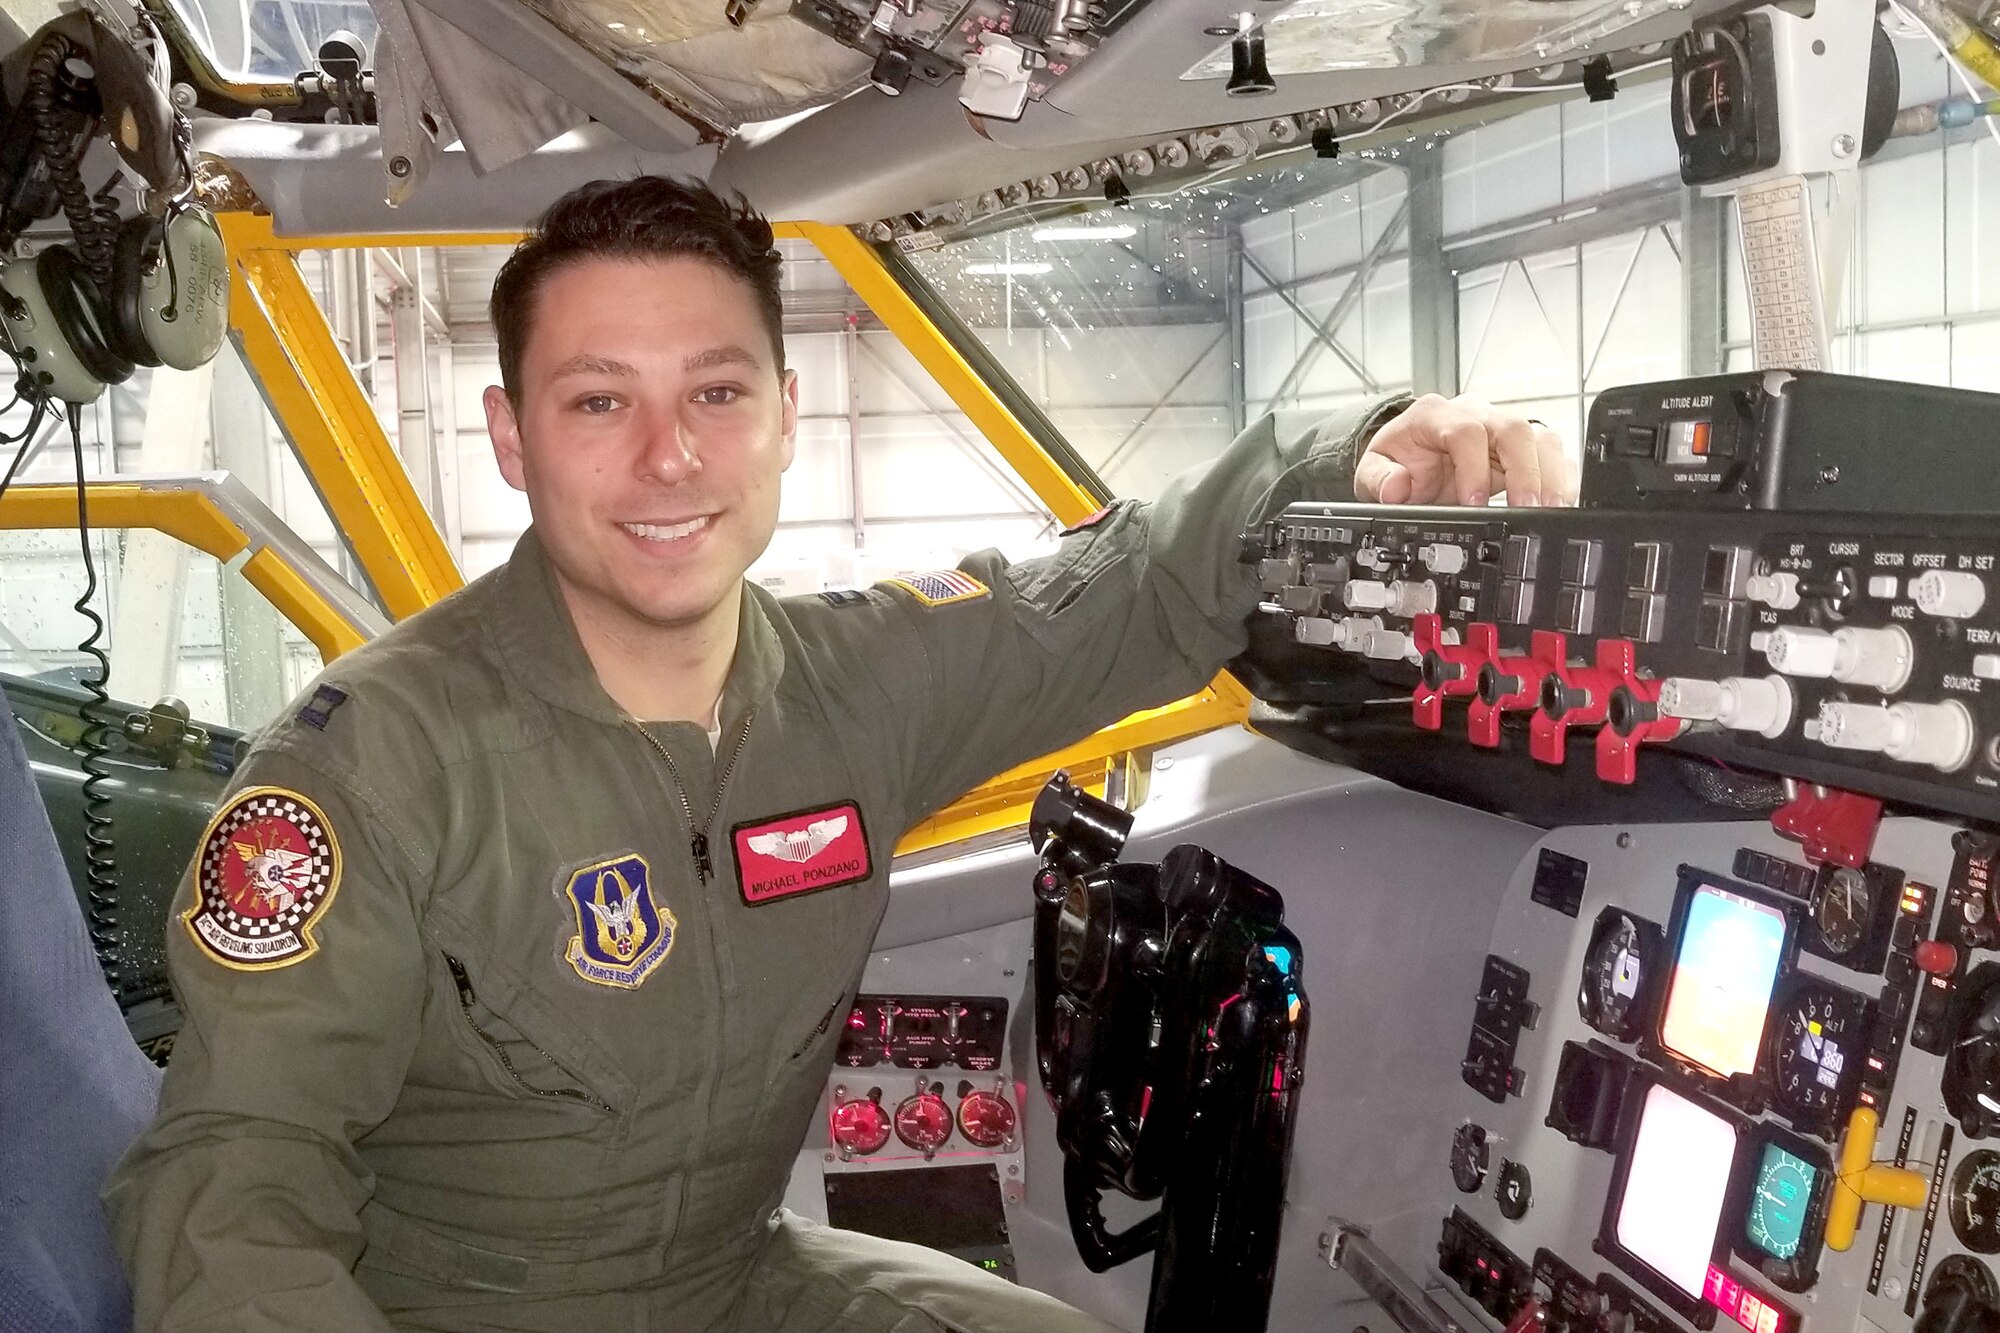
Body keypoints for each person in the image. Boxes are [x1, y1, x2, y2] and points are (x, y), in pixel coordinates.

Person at [103, 176, 1574, 1332]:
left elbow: (1129, 586)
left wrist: (1365, 448)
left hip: (734, 1285)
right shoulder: (367, 769)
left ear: (788, 417)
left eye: (719, 393)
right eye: (600, 400)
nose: (671, 458)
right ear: (509, 435)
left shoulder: (854, 681)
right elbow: (229, 1195)